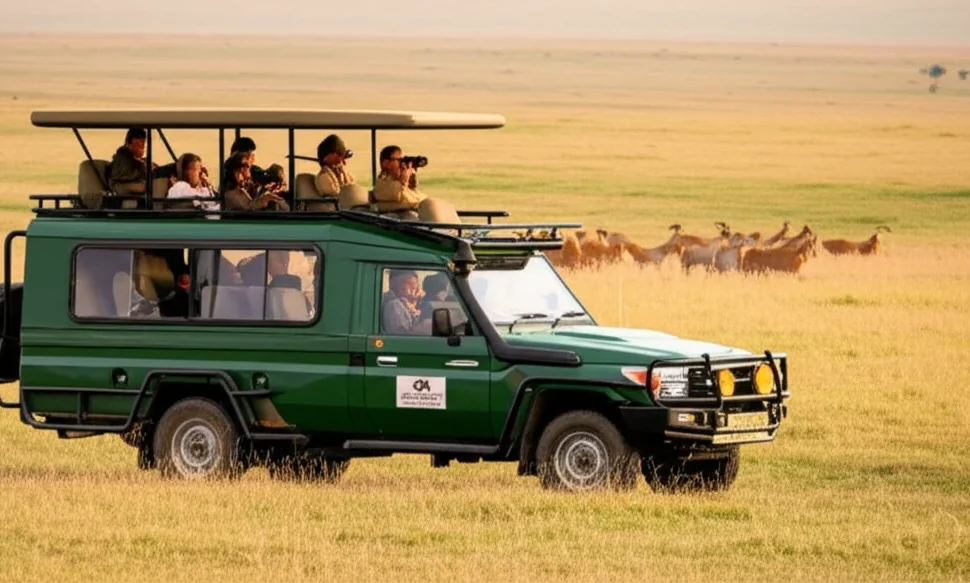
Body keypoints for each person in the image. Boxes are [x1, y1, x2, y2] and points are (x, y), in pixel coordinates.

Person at [372, 145, 426, 218]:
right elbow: (397, 194)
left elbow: (415, 193)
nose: (401, 163)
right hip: (401, 217)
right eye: (398, 160)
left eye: (402, 160)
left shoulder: (400, 182)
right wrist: (403, 180)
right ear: (386, 162)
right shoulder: (381, 184)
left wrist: (411, 174)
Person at [223, 152, 289, 211]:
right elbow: (249, 206)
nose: (249, 170)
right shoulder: (232, 191)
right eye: (248, 166)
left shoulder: (241, 186)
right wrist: (264, 199)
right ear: (239, 170)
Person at [382, 270, 429, 334]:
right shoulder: (394, 305)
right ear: (395, 285)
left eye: (415, 283)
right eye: (409, 283)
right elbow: (400, 336)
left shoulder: (414, 305)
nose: (414, 287)